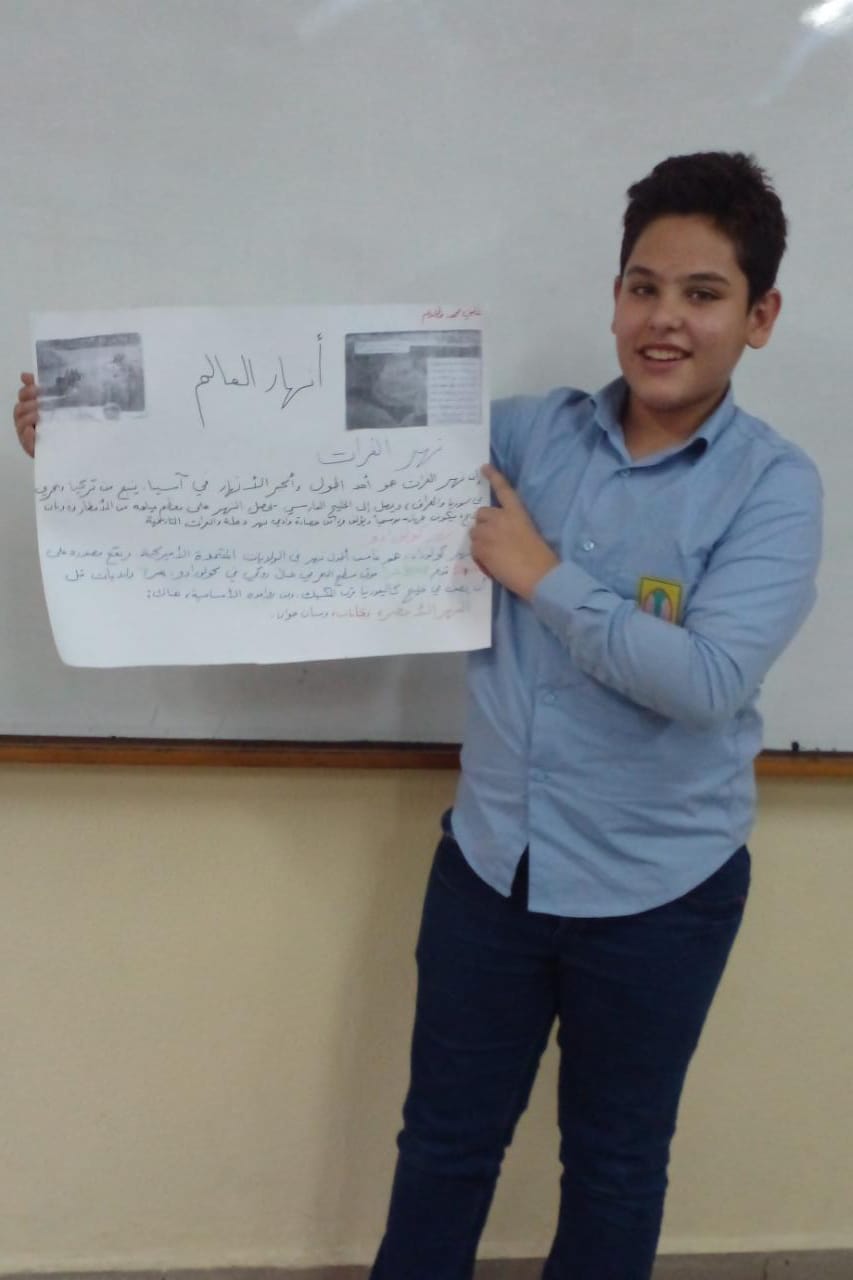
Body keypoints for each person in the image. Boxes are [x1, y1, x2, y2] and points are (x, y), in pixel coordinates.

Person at [13, 152, 823, 1280]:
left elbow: (708, 679)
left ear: (759, 316)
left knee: (615, 1165)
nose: (664, 319)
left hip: (661, 894)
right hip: (491, 871)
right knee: (442, 1148)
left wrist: (540, 574)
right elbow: (321, 466)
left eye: (702, 293)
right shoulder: (528, 436)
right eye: (643, 287)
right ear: (614, 297)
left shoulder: (775, 487)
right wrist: (99, 449)